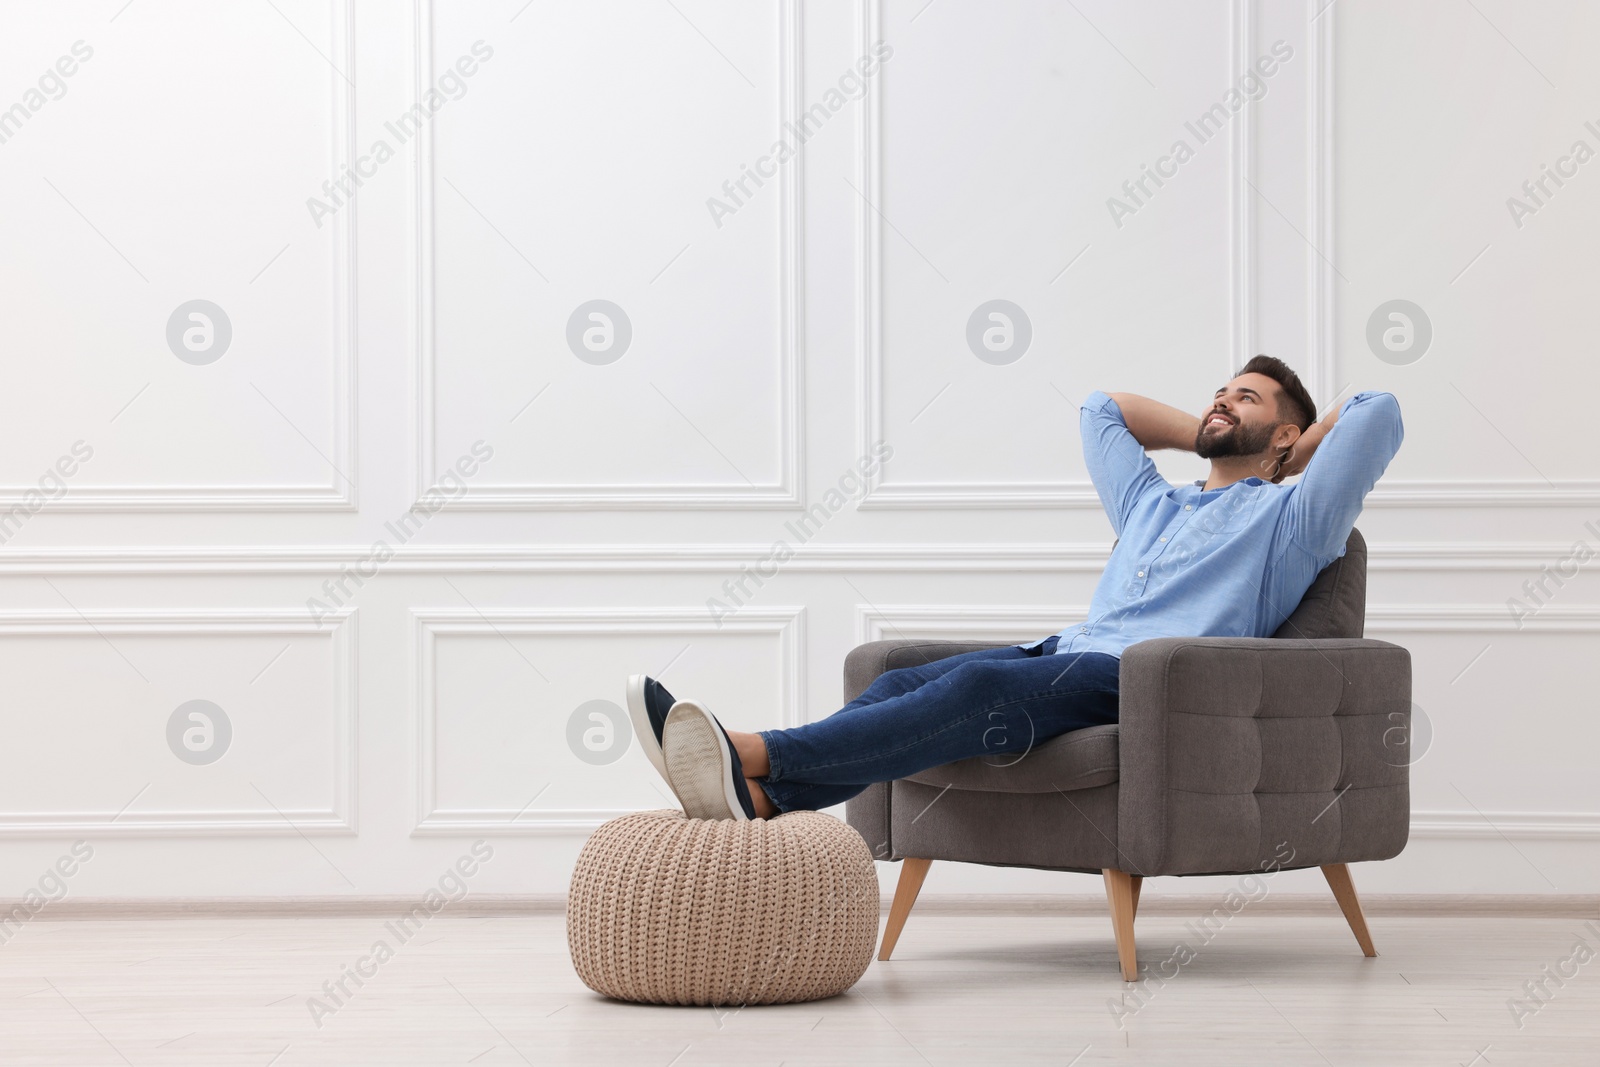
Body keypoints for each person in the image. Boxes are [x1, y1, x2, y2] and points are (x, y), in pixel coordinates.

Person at [627, 355, 1404, 821]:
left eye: (1246, 399)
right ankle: (764, 800)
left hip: (1148, 678)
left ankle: (745, 751)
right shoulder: (1153, 502)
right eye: (1220, 390)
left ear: (1285, 436)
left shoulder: (1290, 520)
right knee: (899, 678)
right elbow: (1102, 411)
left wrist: (1295, 456)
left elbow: (1378, 412)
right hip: (1068, 654)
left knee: (978, 684)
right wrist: (1208, 428)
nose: (1221, 402)